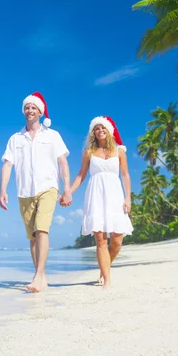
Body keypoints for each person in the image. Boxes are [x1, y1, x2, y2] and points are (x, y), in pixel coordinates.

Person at [0, 92, 72, 293]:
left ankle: (38, 275)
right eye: (27, 108)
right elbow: (7, 164)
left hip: (48, 187)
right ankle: (41, 275)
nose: (30, 110)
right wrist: (3, 190)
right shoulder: (15, 139)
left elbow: (62, 162)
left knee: (42, 228)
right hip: (24, 191)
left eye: (33, 107)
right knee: (32, 236)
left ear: (40, 111)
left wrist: (67, 189)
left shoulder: (53, 136)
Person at [65, 116, 133, 289]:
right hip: (95, 195)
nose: (100, 130)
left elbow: (125, 175)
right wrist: (68, 192)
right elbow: (81, 175)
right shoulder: (89, 152)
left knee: (117, 240)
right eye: (96, 128)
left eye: (103, 127)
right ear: (93, 132)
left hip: (115, 195)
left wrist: (128, 198)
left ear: (109, 130)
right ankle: (107, 280)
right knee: (101, 240)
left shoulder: (119, 151)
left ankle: (104, 269)